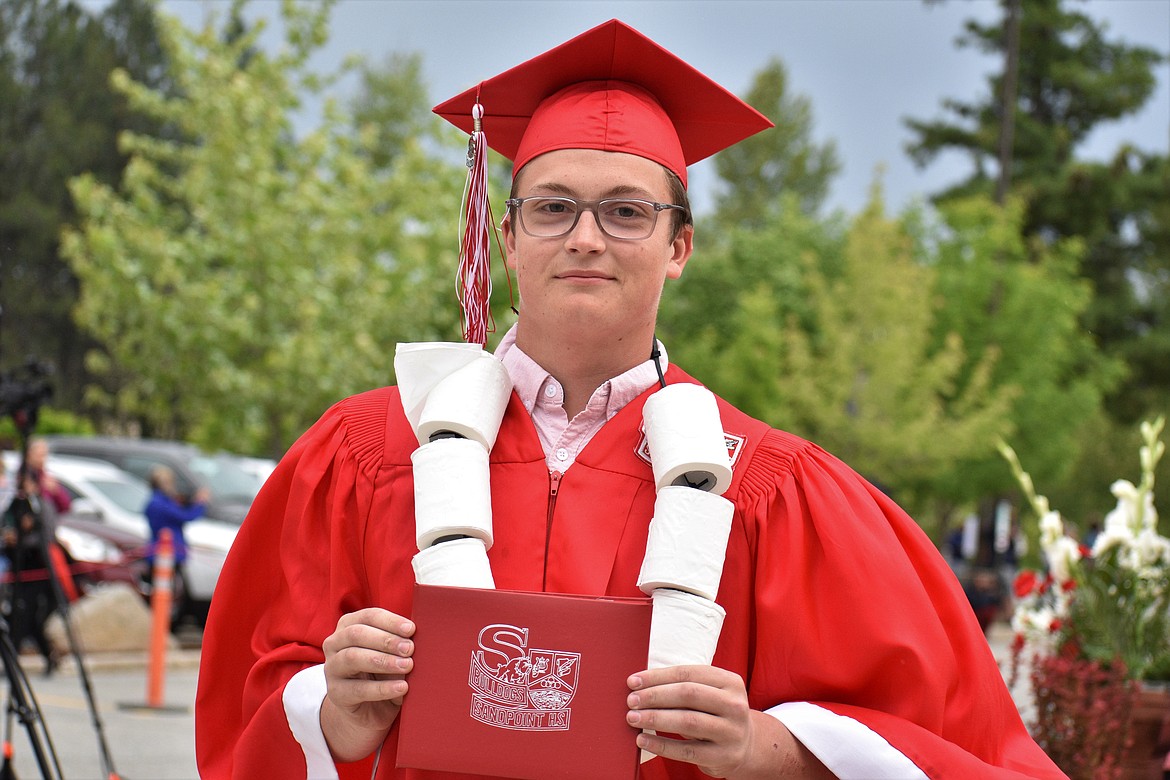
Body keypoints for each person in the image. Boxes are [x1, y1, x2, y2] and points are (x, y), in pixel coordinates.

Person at [195, 19, 1065, 779]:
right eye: (553, 207)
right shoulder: (365, 452)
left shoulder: (769, 487)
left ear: (680, 245)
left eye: (625, 211)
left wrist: (757, 745)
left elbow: (941, 737)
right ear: (505, 235)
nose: (584, 236)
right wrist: (331, 710)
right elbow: (248, 694)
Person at [2, 470, 61, 676]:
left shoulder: (41, 506)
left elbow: (48, 537)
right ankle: (20, 660)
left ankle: (15, 662)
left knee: (27, 615)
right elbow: (5, 526)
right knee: (19, 615)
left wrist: (24, 537)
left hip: (38, 570)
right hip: (18, 567)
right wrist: (8, 539)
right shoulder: (14, 505)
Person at [144, 465, 208, 625]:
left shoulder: (161, 501)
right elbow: (185, 516)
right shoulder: (159, 503)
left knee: (169, 590)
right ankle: (162, 623)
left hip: (168, 551)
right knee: (163, 590)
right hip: (166, 552)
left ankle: (163, 622)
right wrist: (200, 503)